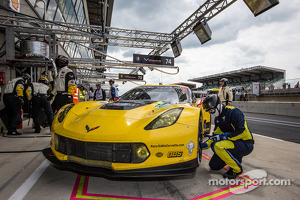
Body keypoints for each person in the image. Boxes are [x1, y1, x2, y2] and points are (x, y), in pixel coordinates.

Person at [202, 94, 254, 179]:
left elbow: (241, 132)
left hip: (245, 143)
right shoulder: (218, 119)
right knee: (214, 166)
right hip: (232, 142)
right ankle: (236, 156)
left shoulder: (234, 112)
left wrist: (223, 137)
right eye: (208, 111)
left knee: (218, 146)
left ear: (218, 105)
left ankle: (237, 169)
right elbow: (215, 136)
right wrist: (201, 146)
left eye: (211, 110)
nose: (210, 113)